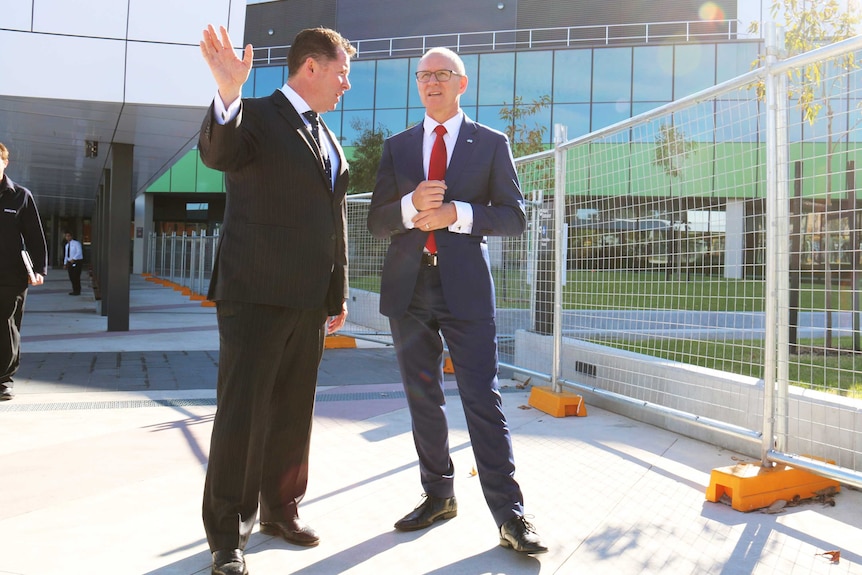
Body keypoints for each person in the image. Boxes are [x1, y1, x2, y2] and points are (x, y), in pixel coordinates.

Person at [367, 47, 547, 554]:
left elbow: (514, 217)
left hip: (465, 290)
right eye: (423, 75)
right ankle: (438, 495)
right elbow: (377, 220)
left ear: (462, 83)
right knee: (423, 400)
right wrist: (409, 206)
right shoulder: (398, 147)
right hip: (409, 291)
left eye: (442, 74)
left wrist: (457, 214)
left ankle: (511, 516)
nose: (431, 83)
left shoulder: (491, 143)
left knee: (481, 399)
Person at [197, 24, 353, 575]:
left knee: (293, 413)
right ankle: (226, 533)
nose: (346, 85)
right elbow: (219, 151)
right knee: (242, 415)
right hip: (256, 294)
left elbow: (333, 221)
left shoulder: (327, 137)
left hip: (309, 300)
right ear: (310, 67)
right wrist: (228, 93)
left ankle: (280, 511)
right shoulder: (256, 115)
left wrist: (336, 292)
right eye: (341, 72)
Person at [0, 142, 47, 401]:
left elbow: (35, 237)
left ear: (5, 162)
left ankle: (3, 380)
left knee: (6, 326)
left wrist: (39, 269)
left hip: (11, 276)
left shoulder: (20, 195)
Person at [63, 230, 83, 295]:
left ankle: (77, 290)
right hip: (69, 262)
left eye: (68, 236)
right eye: (66, 236)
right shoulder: (67, 245)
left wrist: (74, 259)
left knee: (76, 276)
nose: (67, 237)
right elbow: (66, 255)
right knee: (71, 276)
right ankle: (74, 290)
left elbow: (79, 252)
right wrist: (65, 263)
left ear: (71, 236)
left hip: (77, 261)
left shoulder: (76, 243)